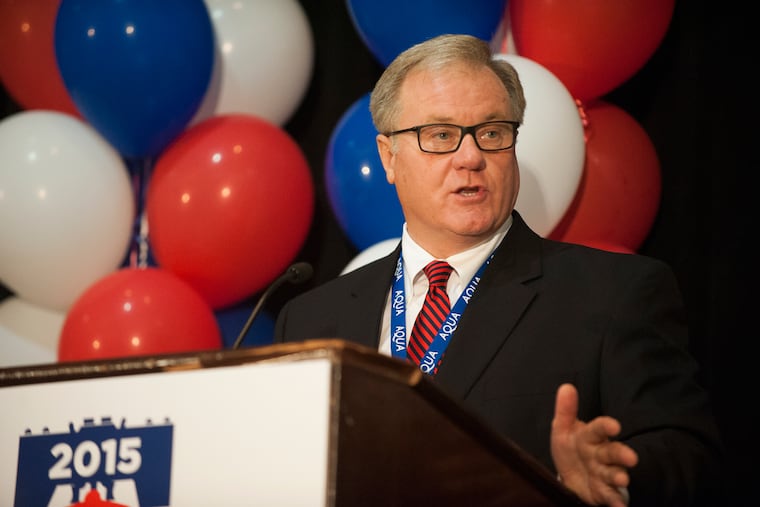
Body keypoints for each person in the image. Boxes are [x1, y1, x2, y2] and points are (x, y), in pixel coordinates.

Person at [274, 34, 724, 506]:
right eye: (441, 135)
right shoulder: (309, 320)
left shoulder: (613, 296)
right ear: (389, 157)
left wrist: (612, 479)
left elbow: (688, 458)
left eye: (491, 132)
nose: (471, 157)